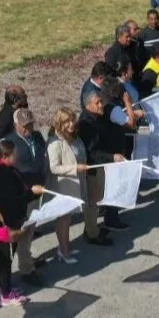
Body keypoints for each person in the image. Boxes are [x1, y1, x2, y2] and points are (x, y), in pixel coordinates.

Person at [0, 139, 44, 304]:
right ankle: (6, 295)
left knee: (1, 256)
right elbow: (14, 201)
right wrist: (33, 193)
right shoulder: (5, 174)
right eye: (13, 154)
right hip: (5, 224)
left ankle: (3, 286)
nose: (16, 156)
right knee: (6, 258)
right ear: (4, 155)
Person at [47, 107, 98, 258]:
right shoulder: (55, 142)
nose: (71, 124)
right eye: (66, 122)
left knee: (68, 218)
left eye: (72, 120)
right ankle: (63, 250)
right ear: (59, 123)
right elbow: (54, 168)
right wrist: (76, 168)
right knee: (63, 219)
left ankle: (66, 246)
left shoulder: (74, 136)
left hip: (76, 181)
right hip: (64, 185)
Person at [79, 91, 129, 237]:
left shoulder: (97, 117)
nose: (101, 105)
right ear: (88, 105)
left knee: (102, 197)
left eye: (101, 101)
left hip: (104, 163)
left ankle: (97, 227)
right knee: (94, 201)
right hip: (95, 168)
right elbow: (93, 152)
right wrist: (112, 157)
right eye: (97, 103)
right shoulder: (87, 124)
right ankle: (92, 233)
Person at [6, 108, 48, 274]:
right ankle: (26, 269)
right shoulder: (9, 143)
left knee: (30, 229)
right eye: (24, 126)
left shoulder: (37, 137)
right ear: (16, 125)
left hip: (38, 189)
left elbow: (42, 156)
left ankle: (26, 257)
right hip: (22, 194)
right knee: (25, 230)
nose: (27, 129)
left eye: (30, 124)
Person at [0, 85, 29, 152]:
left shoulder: (20, 108)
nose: (26, 97)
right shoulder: (5, 118)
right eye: (24, 96)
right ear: (16, 100)